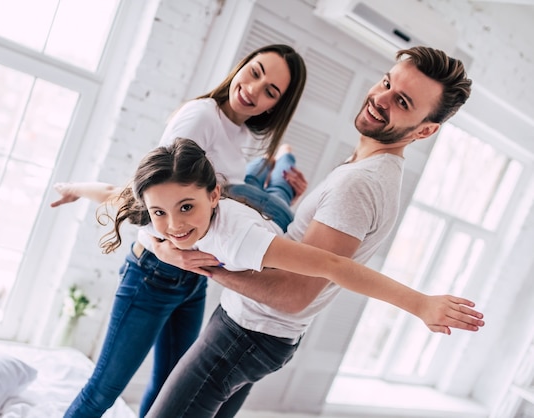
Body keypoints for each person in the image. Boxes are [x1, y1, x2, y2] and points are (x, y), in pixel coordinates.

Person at [148, 46, 478, 417]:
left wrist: (203, 265)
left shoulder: (361, 183)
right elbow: (311, 261)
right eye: (386, 82)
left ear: (426, 130)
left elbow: (295, 293)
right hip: (260, 334)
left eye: (401, 101)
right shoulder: (368, 169)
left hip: (248, 332)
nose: (380, 98)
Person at [63, 137, 484, 418]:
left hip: (253, 332)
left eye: (186, 208)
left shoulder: (243, 239)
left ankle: (282, 160)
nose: (173, 224)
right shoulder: (165, 209)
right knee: (279, 193)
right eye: (160, 213)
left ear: (213, 195)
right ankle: (283, 157)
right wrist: (75, 188)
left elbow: (335, 266)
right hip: (248, 311)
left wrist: (420, 303)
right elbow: (116, 197)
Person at [52, 44, 307, 418]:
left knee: (168, 391)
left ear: (275, 106)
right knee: (103, 390)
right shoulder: (201, 116)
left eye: (270, 90)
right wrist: (160, 249)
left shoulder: (237, 134)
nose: (254, 89)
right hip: (154, 275)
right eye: (255, 72)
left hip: (193, 279)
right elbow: (150, 196)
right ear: (241, 67)